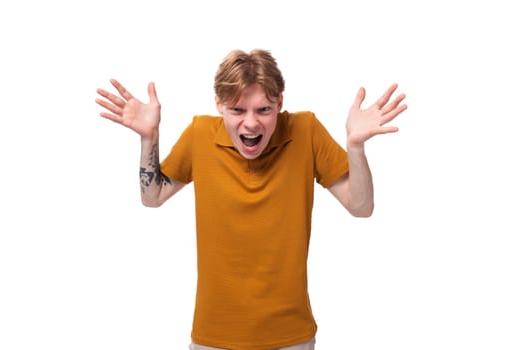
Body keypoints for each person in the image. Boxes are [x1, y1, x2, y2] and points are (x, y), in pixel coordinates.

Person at [95, 49, 407, 350]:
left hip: (291, 336)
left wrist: (355, 147)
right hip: (214, 334)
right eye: (238, 110)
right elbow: (153, 196)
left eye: (263, 110)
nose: (251, 123)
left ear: (280, 103)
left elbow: (361, 207)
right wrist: (149, 138)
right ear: (219, 104)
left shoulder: (306, 130)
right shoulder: (200, 134)